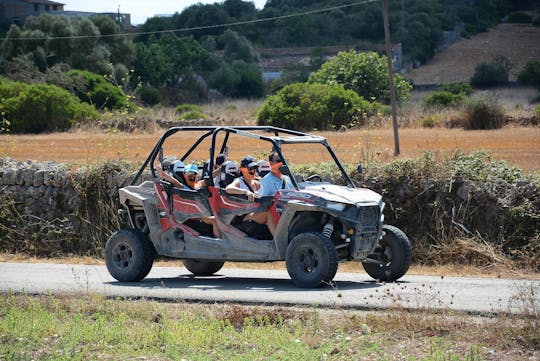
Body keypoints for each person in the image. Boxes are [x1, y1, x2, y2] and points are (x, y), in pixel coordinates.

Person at [226, 155, 275, 237]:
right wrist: (245, 192)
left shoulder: (258, 184)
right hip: (243, 219)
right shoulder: (239, 181)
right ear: (242, 169)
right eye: (250, 169)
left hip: (255, 215)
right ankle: (278, 242)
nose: (253, 171)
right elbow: (228, 189)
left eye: (255, 168)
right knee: (268, 213)